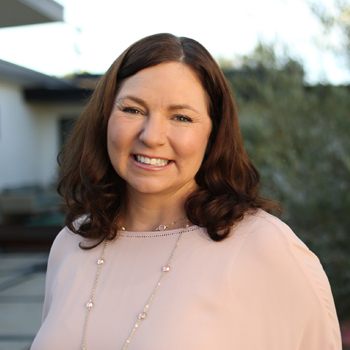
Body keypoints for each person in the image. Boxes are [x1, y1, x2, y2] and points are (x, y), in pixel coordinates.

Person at [31, 33, 341, 350]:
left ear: (213, 135)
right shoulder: (72, 242)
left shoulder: (264, 246)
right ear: (105, 118)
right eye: (133, 110)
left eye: (181, 117)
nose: (152, 136)